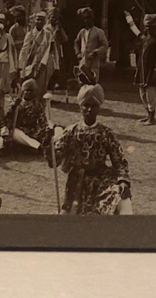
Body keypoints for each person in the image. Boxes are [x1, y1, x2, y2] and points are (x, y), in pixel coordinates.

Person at [46, 83, 132, 215]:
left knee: (123, 198)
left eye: (93, 106)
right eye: (86, 105)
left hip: (102, 181)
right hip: (77, 184)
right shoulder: (71, 132)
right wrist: (48, 141)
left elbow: (119, 161)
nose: (89, 110)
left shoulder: (106, 133)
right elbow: (54, 160)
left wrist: (123, 180)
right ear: (80, 108)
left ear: (99, 108)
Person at [3, 78, 51, 151]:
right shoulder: (17, 103)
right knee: (15, 133)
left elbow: (42, 120)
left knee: (49, 129)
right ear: (23, 91)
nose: (29, 93)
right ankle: (38, 146)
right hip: (20, 130)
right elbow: (8, 119)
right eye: (27, 90)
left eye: (31, 91)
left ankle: (43, 145)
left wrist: (45, 129)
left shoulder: (37, 104)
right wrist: (13, 107)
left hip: (33, 130)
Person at [136, 13, 156, 125]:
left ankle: (152, 117)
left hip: (151, 70)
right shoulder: (146, 39)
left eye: (151, 27)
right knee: (142, 93)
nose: (149, 29)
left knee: (150, 94)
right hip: (143, 70)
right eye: (147, 27)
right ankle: (147, 114)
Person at [18, 11, 52, 94]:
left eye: (42, 20)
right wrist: (20, 65)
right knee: (27, 85)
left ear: (45, 22)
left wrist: (42, 63)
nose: (39, 22)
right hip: (29, 63)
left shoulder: (47, 34)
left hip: (41, 64)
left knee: (40, 86)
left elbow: (48, 49)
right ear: (34, 21)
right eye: (38, 19)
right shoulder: (30, 34)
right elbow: (24, 49)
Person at [74, 7, 108, 83]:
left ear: (93, 19)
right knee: (82, 79)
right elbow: (76, 42)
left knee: (93, 79)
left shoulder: (98, 31)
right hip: (83, 59)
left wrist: (96, 51)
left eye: (89, 18)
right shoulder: (82, 32)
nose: (87, 20)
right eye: (85, 18)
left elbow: (105, 45)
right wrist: (78, 53)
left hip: (93, 60)